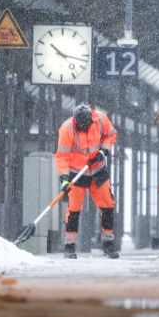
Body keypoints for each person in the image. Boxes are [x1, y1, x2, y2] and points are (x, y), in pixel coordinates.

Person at [55, 103, 119, 259]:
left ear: (91, 119)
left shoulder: (101, 120)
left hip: (97, 169)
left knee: (108, 205)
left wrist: (104, 151)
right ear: (75, 121)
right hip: (77, 173)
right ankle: (69, 246)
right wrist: (64, 178)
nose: (83, 127)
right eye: (80, 125)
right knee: (74, 209)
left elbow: (111, 134)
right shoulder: (67, 128)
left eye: (85, 124)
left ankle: (108, 243)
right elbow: (62, 156)